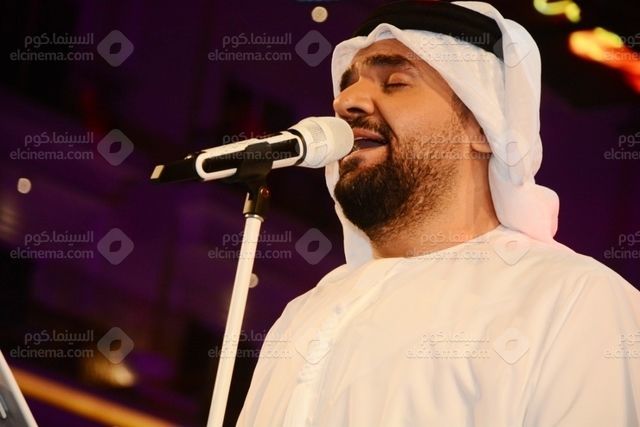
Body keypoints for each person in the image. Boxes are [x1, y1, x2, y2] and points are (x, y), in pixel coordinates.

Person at [238, 1, 640, 425]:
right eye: (347, 86)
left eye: (395, 82)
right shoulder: (304, 314)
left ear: (483, 125)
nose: (346, 102)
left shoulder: (573, 301)